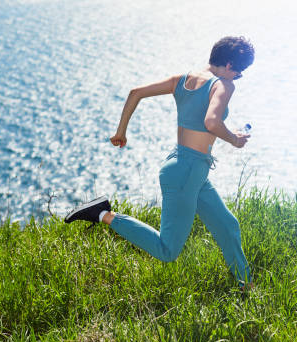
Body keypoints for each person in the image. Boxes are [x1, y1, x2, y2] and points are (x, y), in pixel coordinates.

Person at [65, 36, 254, 288]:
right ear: (230, 65)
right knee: (167, 250)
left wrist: (121, 132)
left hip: (186, 168)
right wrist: (234, 139)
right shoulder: (223, 86)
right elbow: (211, 122)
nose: (238, 76)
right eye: (240, 72)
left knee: (227, 225)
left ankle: (246, 286)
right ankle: (101, 214)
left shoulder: (183, 80)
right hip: (187, 172)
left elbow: (136, 93)